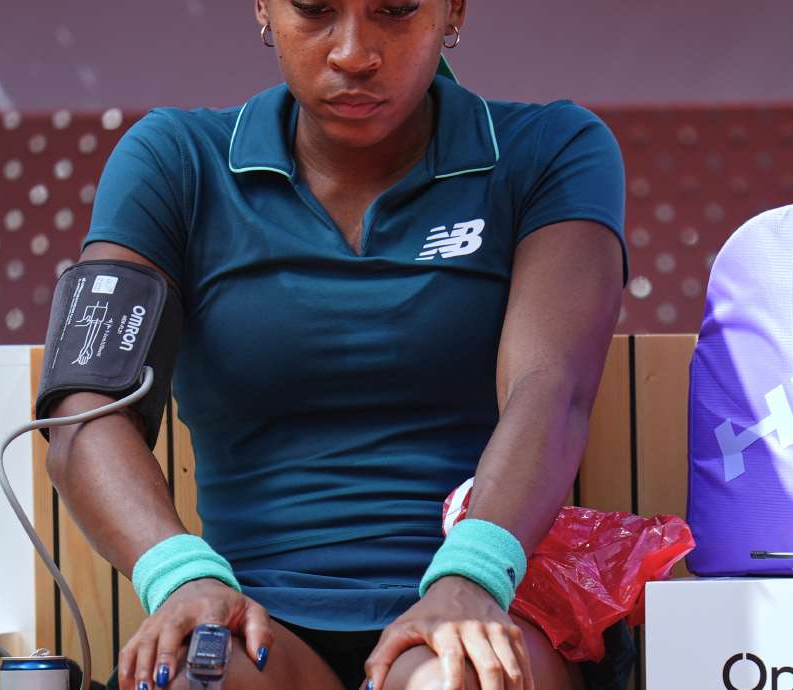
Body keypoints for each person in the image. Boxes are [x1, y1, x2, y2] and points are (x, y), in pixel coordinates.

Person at [44, 1, 630, 688]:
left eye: (396, 10)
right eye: (316, 9)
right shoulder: (175, 161)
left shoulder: (549, 150)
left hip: (490, 599)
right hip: (253, 621)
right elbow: (85, 406)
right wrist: (182, 579)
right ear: (263, 8)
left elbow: (551, 390)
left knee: (457, 677)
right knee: (189, 680)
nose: (354, 51)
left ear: (453, 12)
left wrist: (473, 577)